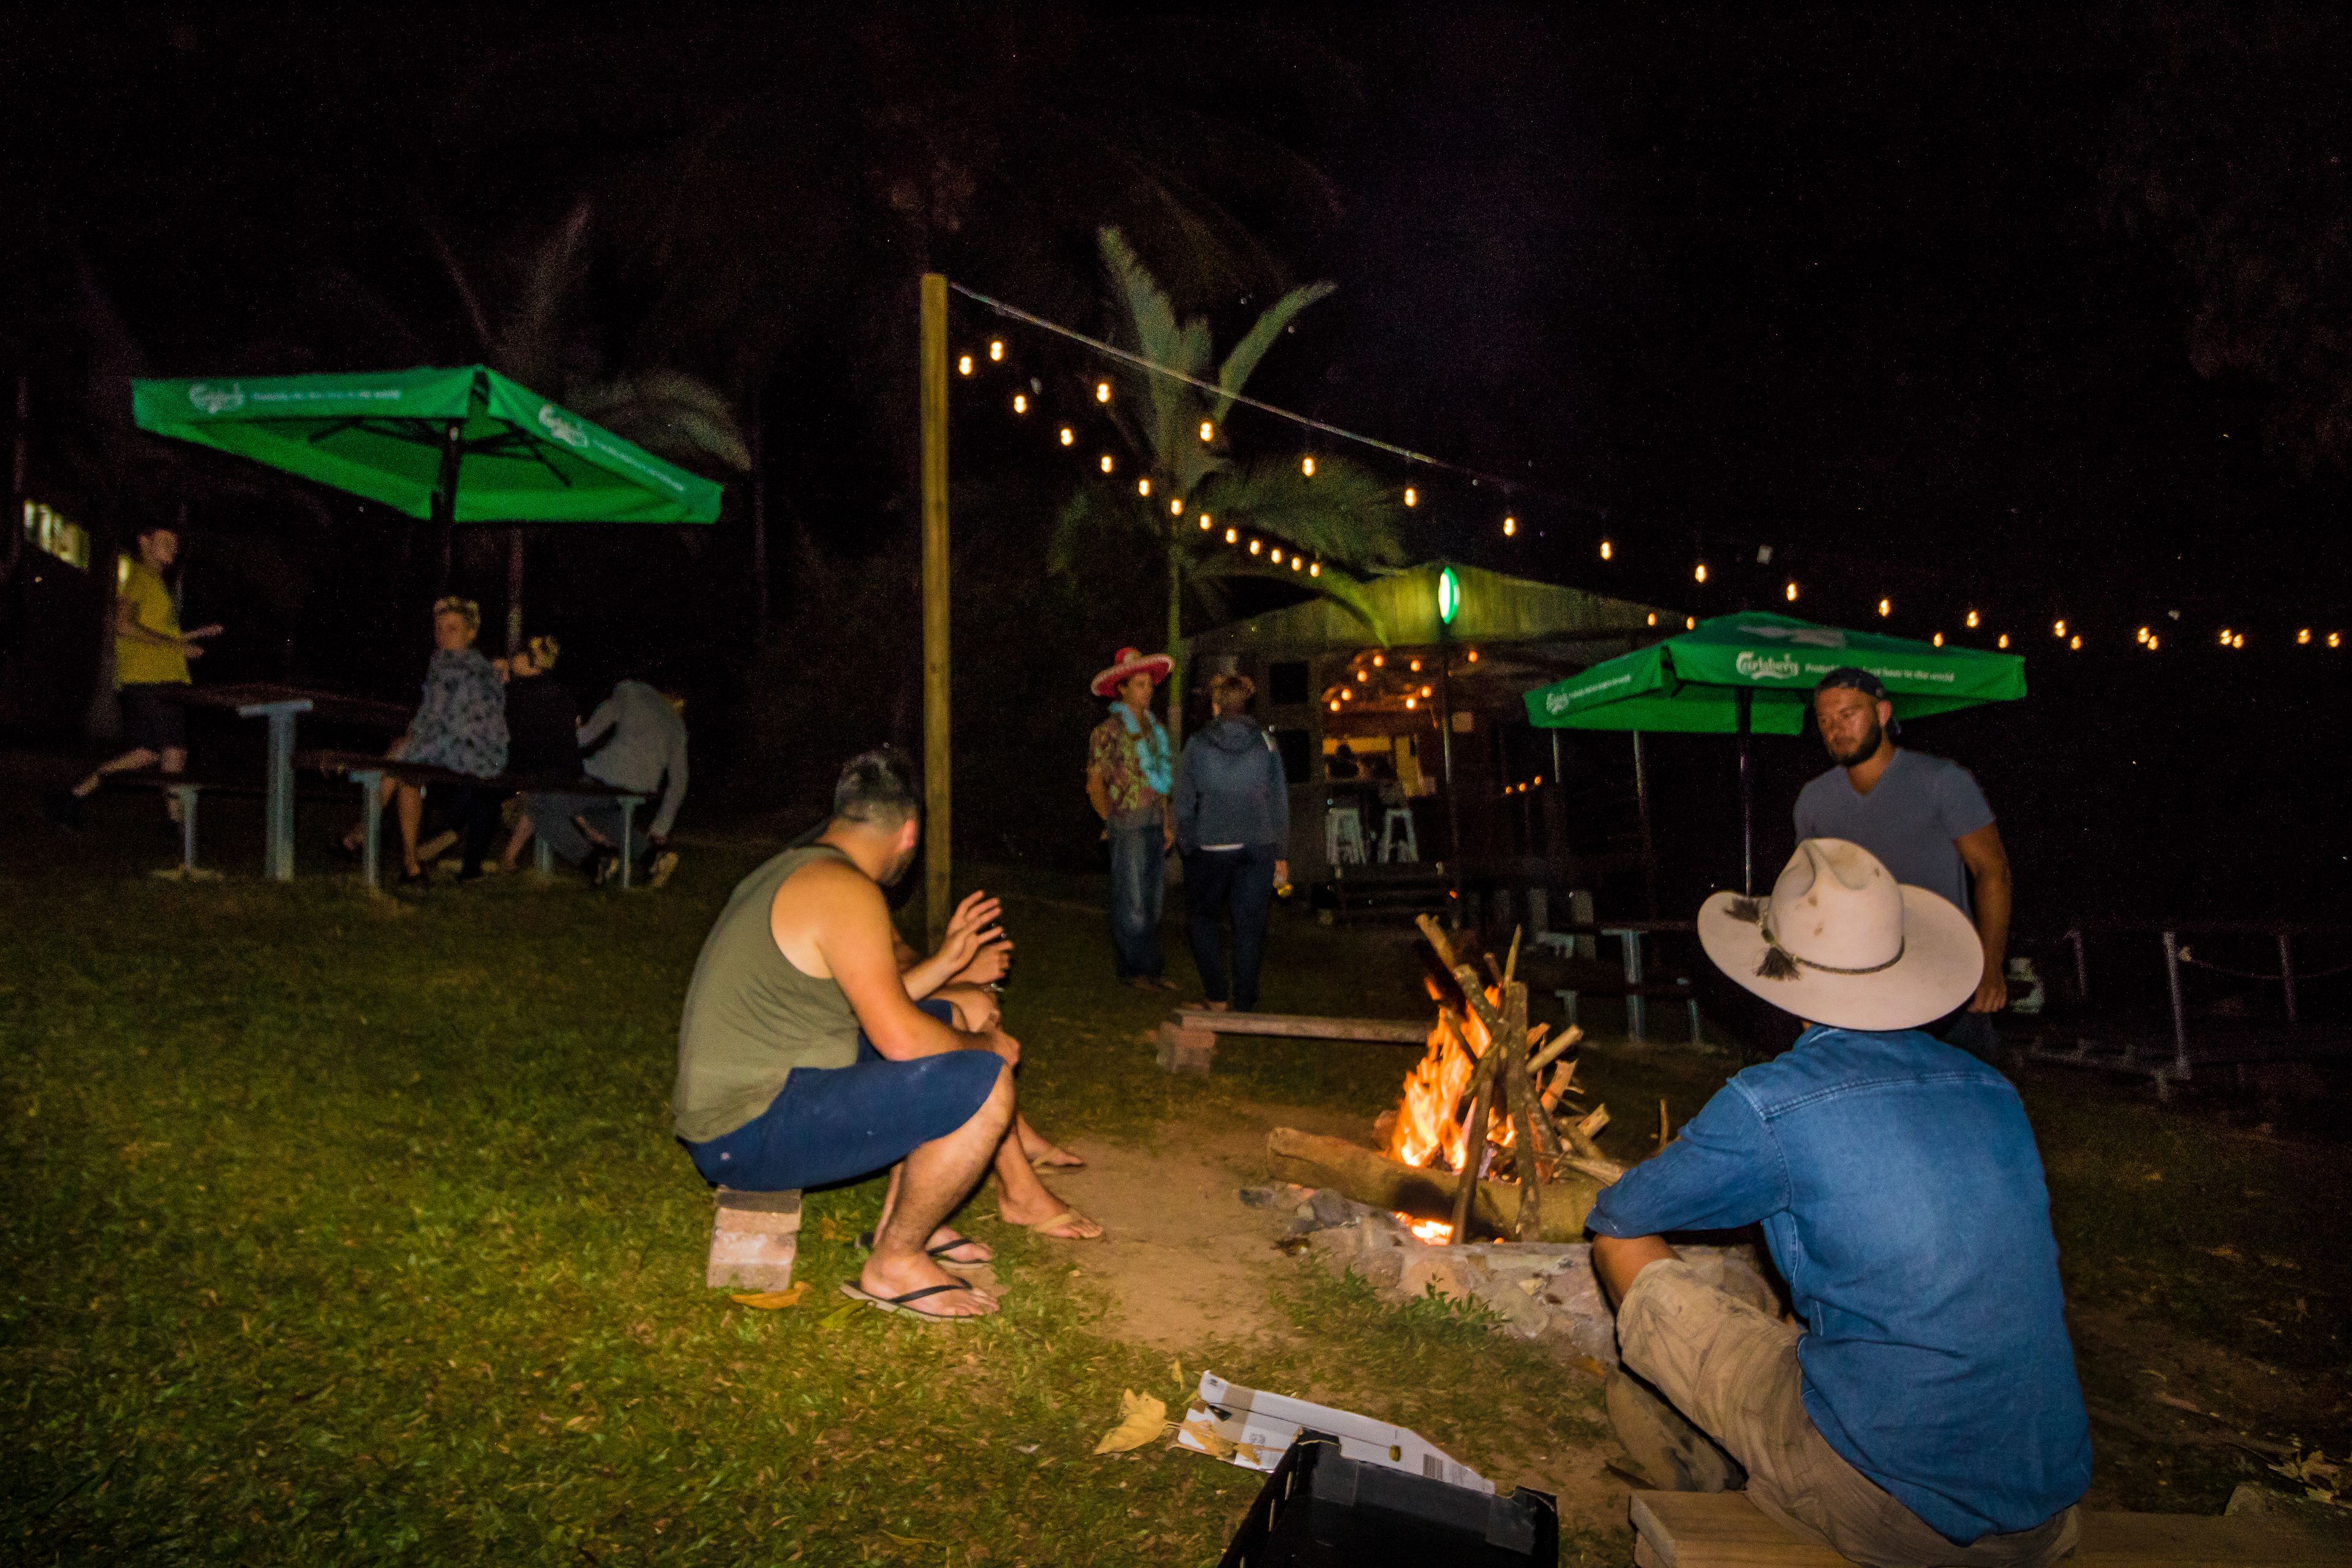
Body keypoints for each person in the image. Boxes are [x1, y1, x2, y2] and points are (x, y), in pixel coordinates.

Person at [1588, 837, 2088, 1567]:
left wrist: (1677, 1162)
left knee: (1619, 1244)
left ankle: (1729, 1463)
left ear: (1775, 973)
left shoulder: (1774, 1101)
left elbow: (1624, 1209)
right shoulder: (1994, 1091)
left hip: (1895, 1511)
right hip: (2043, 1509)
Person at [673, 748, 1100, 1322]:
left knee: (951, 1022)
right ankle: (895, 1262)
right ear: (909, 833)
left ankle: (903, 1221)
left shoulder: (797, 869)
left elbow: (883, 1002)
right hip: (746, 1129)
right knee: (983, 1083)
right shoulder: (846, 891)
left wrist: (949, 966)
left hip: (764, 1095)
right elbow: (900, 1040)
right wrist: (988, 1052)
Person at [1794, 666, 2011, 1061]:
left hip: (1946, 974)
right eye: (1825, 720)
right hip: (1858, 982)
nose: (1836, 729)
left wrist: (1990, 965)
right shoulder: (1813, 800)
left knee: (1963, 1101)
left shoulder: (1943, 781)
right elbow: (1813, 894)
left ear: (1882, 713)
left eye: (1848, 714)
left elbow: (1992, 871)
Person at [47, 523, 222, 827]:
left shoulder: (155, 582)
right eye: (165, 541)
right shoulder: (141, 578)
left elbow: (152, 632)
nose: (173, 548)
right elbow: (123, 626)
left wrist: (191, 636)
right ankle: (177, 825)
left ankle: (71, 797)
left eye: (175, 543)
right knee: (175, 750)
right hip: (152, 680)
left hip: (152, 678)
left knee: (145, 753)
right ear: (144, 542)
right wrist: (175, 644)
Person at [339, 597, 507, 884]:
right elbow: (431, 717)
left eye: (452, 629)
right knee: (406, 768)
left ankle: (362, 834)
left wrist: (415, 737)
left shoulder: (467, 668)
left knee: (403, 757)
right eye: (439, 628)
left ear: (470, 633)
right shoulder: (448, 664)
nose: (442, 635)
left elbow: (458, 722)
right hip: (456, 748)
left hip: (477, 755)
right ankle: (409, 865)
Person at [1174, 672, 1290, 1013]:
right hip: (1258, 846)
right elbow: (1279, 801)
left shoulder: (1197, 743)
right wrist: (1280, 854)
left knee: (1202, 919)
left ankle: (1217, 997)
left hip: (1212, 847)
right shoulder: (1267, 744)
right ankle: (1244, 1001)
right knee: (1250, 924)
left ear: (1215, 706)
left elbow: (1184, 800)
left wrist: (1189, 842)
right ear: (1246, 704)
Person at [1084, 646, 1178, 991]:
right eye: (1139, 684)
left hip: (1154, 821)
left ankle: (1150, 969)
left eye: (1149, 684)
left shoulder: (1157, 730)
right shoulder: (1106, 732)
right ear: (1122, 689)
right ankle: (1132, 971)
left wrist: (1167, 822)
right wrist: (1109, 820)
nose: (1148, 689)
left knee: (1152, 903)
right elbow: (1094, 783)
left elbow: (1161, 781)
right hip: (1127, 822)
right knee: (1132, 901)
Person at [576, 678, 688, 889]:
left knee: (565, 794)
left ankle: (605, 852)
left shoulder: (628, 694)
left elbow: (587, 735)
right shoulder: (675, 723)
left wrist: (572, 730)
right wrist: (661, 826)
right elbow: (679, 780)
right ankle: (647, 857)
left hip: (608, 775)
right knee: (600, 814)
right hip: (643, 785)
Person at [495, 635, 582, 874]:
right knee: (544, 801)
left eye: (521, 655)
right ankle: (509, 857)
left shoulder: (521, 691)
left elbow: (505, 730)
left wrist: (502, 682)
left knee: (539, 800)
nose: (514, 660)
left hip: (534, 769)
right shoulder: (559, 691)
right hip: (563, 768)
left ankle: (594, 857)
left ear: (534, 660)